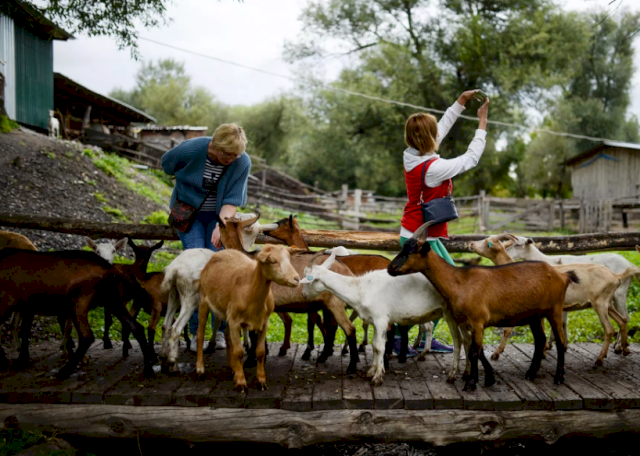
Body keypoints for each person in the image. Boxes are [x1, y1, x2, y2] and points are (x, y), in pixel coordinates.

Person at [395, 90, 490, 355]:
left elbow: (439, 131)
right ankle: (401, 337)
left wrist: (460, 102)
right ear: (428, 138)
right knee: (449, 289)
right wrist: (481, 123)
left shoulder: (411, 154)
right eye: (433, 133)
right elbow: (471, 158)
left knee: (445, 287)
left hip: (417, 233)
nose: (438, 135)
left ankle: (423, 338)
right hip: (421, 239)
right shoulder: (434, 168)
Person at [161, 123, 251, 352]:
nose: (231, 159)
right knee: (196, 271)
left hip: (217, 215)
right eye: (226, 154)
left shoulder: (242, 162)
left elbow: (232, 197)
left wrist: (221, 226)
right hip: (188, 214)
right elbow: (167, 164)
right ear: (214, 145)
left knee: (218, 268)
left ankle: (218, 332)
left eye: (236, 154)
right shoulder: (192, 149)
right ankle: (195, 332)